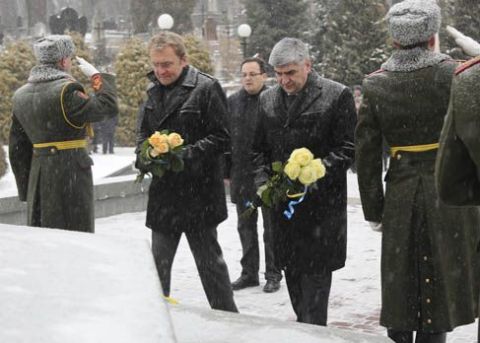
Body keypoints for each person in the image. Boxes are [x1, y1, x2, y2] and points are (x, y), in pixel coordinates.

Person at [355, 1, 480, 342]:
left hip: (401, 191)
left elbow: (366, 154)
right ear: (432, 36)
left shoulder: (375, 83)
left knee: (400, 278)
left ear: (394, 40)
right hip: (450, 190)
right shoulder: (455, 74)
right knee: (442, 280)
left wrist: (373, 207)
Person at [252, 37, 356, 325]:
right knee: (297, 293)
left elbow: (348, 148)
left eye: (290, 73)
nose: (284, 80)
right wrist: (264, 183)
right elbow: (257, 150)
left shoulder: (336, 95)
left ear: (308, 65)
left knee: (314, 299)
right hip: (284, 214)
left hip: (321, 213)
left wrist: (315, 171)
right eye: (278, 74)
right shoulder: (267, 99)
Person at [135, 31, 238, 312]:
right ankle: (154, 321)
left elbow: (222, 136)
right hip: (164, 196)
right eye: (156, 65)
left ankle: (229, 322)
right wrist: (144, 155)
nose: (160, 71)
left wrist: (183, 155)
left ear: (183, 60)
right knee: (157, 269)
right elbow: (143, 133)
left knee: (210, 268)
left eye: (166, 64)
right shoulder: (152, 89)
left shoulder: (206, 88)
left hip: (199, 194)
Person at [9, 35, 118, 233]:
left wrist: (28, 189)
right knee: (75, 234)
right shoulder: (66, 91)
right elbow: (107, 107)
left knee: (45, 237)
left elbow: (18, 149)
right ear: (63, 61)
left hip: (39, 176)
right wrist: (97, 77)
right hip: (70, 174)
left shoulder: (20, 96)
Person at [228, 57, 282, 293]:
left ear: (264, 76)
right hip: (241, 176)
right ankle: (249, 273)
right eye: (244, 75)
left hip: (268, 175)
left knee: (271, 229)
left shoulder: (275, 100)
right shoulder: (232, 102)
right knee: (245, 227)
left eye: (252, 74)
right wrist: (225, 171)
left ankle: (273, 274)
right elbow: (226, 139)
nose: (247, 79)